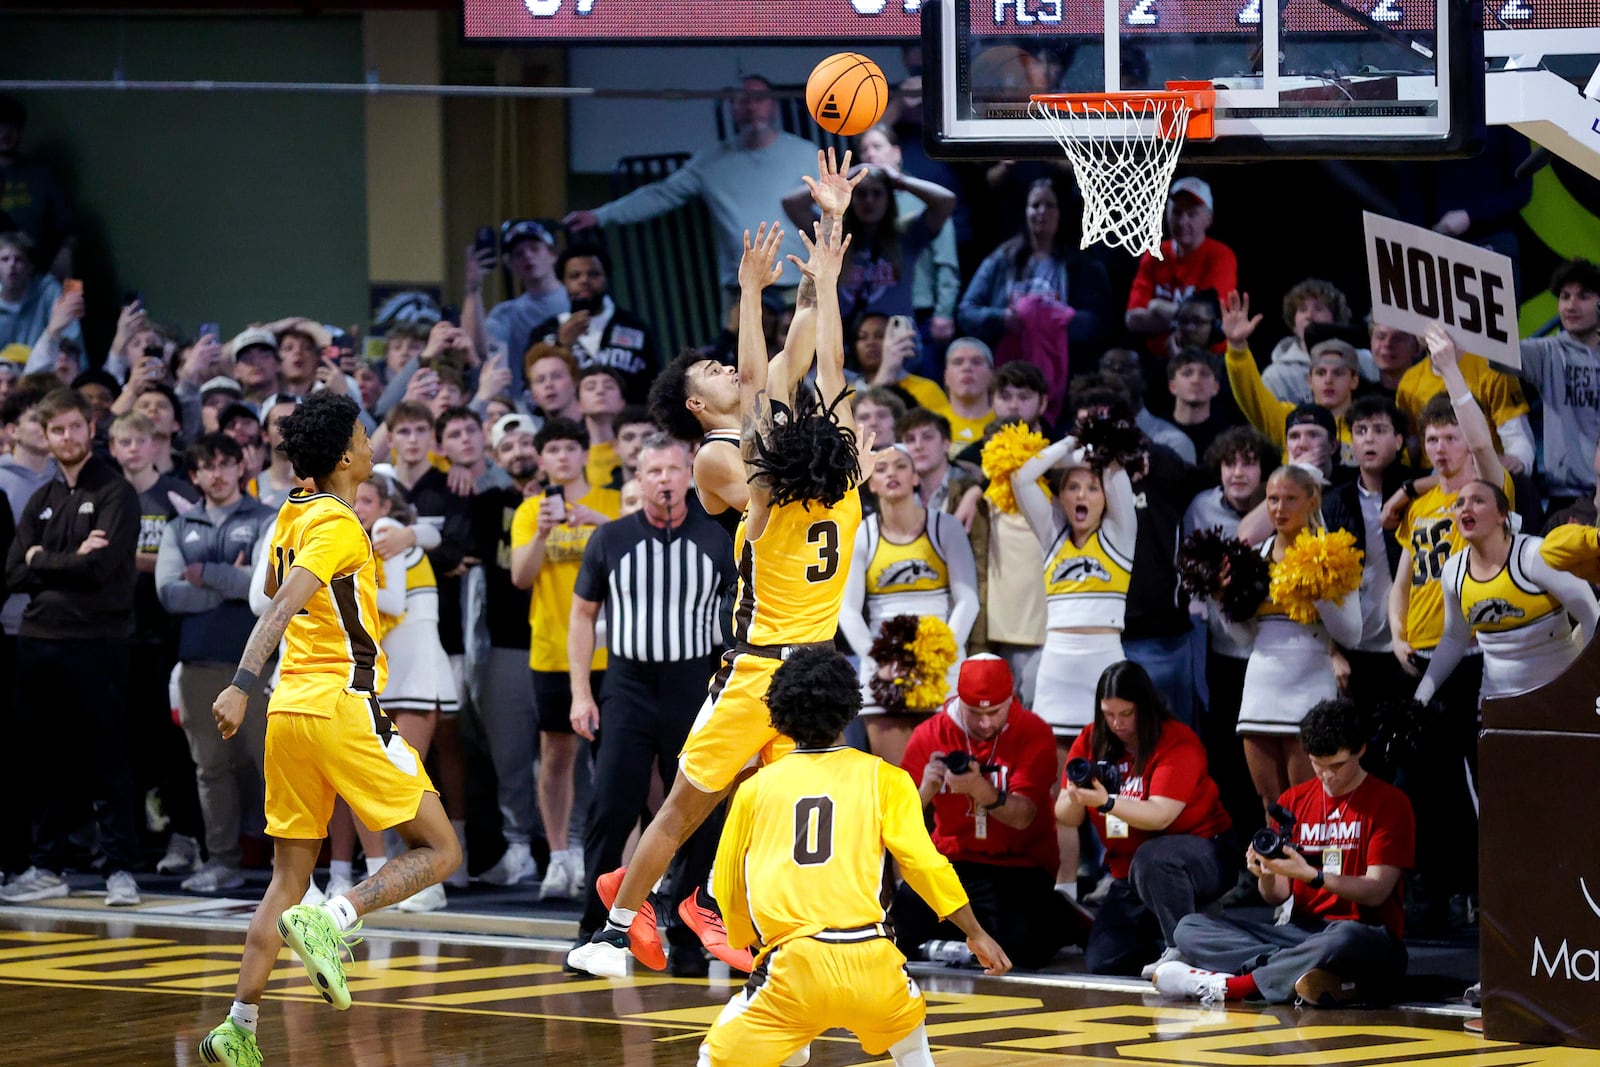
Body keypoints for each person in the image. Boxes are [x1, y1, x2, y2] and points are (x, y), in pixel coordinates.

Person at [568, 202, 866, 978]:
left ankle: (720, 905)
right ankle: (616, 925)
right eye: (715, 374)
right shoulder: (725, 462)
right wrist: (771, 291)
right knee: (688, 805)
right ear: (698, 405)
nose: (734, 371)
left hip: (809, 665)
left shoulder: (796, 465)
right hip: (754, 661)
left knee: (778, 809)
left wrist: (815, 283)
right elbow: (793, 381)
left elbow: (805, 365)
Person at [195, 392, 460, 1067]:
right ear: (346, 455)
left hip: (290, 712)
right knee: (441, 849)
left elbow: (274, 595)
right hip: (343, 703)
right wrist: (238, 682)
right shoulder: (341, 522)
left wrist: (255, 691)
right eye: (367, 435)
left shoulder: (290, 514)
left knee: (286, 879)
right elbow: (281, 606)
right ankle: (336, 916)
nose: (374, 444)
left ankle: (239, 1023)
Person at [701, 646, 1010, 1067]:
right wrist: (974, 931)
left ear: (779, 711)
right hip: (873, 963)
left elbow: (730, 881)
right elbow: (925, 865)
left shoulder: (755, 788)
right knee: (911, 1042)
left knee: (717, 1055)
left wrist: (744, 938)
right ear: (850, 706)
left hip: (793, 965)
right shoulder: (888, 779)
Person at [569, 432, 736, 976]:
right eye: (653, 471)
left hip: (696, 684)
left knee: (695, 813)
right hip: (628, 685)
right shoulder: (611, 538)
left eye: (672, 469)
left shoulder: (718, 536)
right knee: (612, 805)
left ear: (689, 475)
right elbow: (581, 616)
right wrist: (580, 692)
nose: (664, 479)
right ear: (636, 480)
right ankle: (595, 932)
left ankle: (688, 936)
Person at [1156, 698, 1414, 1007]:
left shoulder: (1390, 803)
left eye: (1337, 766)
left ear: (1360, 751)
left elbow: (1376, 891)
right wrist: (1265, 873)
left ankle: (1237, 985)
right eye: (1318, 764)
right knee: (1189, 927)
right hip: (1302, 934)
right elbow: (1277, 896)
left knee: (1345, 937)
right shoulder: (1294, 800)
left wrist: (1313, 876)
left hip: (1367, 936)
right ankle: (1302, 973)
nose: (1327, 776)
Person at [1, 387, 140, 908]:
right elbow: (13, 572)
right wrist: (63, 559)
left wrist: (43, 559)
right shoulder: (41, 498)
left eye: (74, 428)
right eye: (56, 430)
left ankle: (121, 869)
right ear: (45, 434)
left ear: (90, 427)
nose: (65, 437)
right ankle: (46, 865)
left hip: (97, 643)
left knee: (108, 758)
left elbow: (98, 569)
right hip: (37, 644)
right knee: (42, 761)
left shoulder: (115, 493)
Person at [1389, 324, 1507, 931]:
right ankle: (1434, 892)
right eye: (1431, 438)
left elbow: (1485, 444)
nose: (1439, 448)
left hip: (1484, 657)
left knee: (1486, 777)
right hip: (1428, 655)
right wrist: (1396, 633)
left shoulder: (1490, 492)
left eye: (1450, 437)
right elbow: (1403, 579)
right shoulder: (1422, 504)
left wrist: (1451, 369)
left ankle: (1498, 889)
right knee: (1425, 783)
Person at [891, 654, 1079, 970]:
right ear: (959, 702)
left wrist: (978, 788)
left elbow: (1023, 817)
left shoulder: (1033, 731)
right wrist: (925, 790)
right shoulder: (929, 734)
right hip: (953, 860)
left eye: (995, 712)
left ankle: (1060, 912)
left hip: (1019, 864)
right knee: (894, 935)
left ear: (1012, 700)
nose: (986, 722)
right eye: (975, 713)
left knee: (1023, 952)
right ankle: (963, 940)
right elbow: (897, 819)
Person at [566, 74, 820, 301]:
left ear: (773, 105)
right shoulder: (710, 162)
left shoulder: (806, 154)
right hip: (741, 288)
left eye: (759, 99)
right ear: (732, 108)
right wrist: (599, 216)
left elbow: (831, 218)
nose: (752, 106)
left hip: (797, 282)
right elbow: (660, 194)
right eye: (743, 100)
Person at [1058, 661, 1234, 977]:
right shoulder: (1091, 740)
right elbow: (1063, 815)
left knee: (1153, 856)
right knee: (1104, 959)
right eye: (1108, 714)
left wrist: (1107, 802)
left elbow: (1159, 816)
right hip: (1128, 874)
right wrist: (1075, 796)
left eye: (1126, 714)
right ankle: (1191, 931)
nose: (1116, 723)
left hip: (1203, 856)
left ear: (1145, 707)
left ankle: (1184, 946)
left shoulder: (1177, 740)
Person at [155, 433, 274, 894]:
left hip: (256, 663)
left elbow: (263, 590)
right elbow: (168, 593)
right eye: (208, 465)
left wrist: (205, 572)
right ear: (195, 475)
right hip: (198, 665)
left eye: (227, 462)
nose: (219, 473)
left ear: (242, 465)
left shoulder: (267, 519)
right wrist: (232, 581)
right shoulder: (178, 527)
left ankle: (294, 870)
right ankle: (222, 861)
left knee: (273, 766)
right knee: (210, 768)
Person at [510, 417, 621, 900]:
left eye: (569, 447)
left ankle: (616, 866)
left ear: (583, 454)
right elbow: (520, 577)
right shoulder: (530, 510)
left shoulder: (613, 504)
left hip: (615, 651)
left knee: (618, 761)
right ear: (542, 459)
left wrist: (602, 526)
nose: (561, 456)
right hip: (552, 651)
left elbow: (639, 559)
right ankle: (560, 857)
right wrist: (541, 533)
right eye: (552, 449)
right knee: (556, 756)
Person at [1221, 464, 1362, 811]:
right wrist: (1222, 600)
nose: (1279, 509)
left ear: (1312, 501)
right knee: (1271, 803)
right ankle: (1276, 867)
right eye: (1272, 499)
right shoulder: (1253, 559)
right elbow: (1242, 637)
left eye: (1289, 499)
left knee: (1310, 802)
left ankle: (1313, 867)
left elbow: (1352, 635)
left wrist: (1318, 593)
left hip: (1310, 688)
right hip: (1260, 690)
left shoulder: (1335, 554)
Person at [841, 443, 978, 765]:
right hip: (884, 666)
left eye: (901, 466)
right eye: (882, 468)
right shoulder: (862, 533)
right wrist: (881, 659)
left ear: (916, 477)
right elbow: (847, 609)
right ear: (871, 483)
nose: (891, 473)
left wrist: (938, 655)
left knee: (948, 784)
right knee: (898, 780)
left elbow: (968, 600)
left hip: (942, 664)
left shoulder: (946, 527)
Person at [1415, 480, 1598, 705]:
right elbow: (1454, 638)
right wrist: (1420, 698)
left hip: (1559, 700)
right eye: (1459, 503)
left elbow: (1591, 615)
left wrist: (1589, 684)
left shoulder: (1535, 556)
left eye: (1478, 501)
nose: (1466, 508)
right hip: (1496, 702)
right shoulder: (1453, 571)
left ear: (1502, 514)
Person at [1010, 430, 1135, 745]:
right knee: (1054, 771)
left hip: (1104, 662)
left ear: (1105, 497)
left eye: (1092, 488)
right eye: (1073, 488)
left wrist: (1085, 449)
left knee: (1107, 766)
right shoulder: (1051, 534)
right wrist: (1069, 443)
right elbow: (1023, 478)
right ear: (1060, 496)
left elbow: (1114, 471)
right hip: (1057, 667)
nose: (1082, 496)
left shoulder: (1119, 535)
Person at [959, 174, 1116, 412]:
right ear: (1024, 211)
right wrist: (1001, 318)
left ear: (1062, 212)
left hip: (1067, 380)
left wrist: (1055, 321)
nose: (1041, 212)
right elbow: (966, 312)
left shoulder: (1084, 265)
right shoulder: (1001, 259)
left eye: (1050, 205)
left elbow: (1101, 322)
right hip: (1008, 375)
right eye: (1035, 205)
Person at [1519, 258, 1600, 514]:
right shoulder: (1546, 352)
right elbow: (1496, 351)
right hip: (1565, 500)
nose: (1571, 305)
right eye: (1565, 297)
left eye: (1583, 296)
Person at [1123, 179, 1237, 356]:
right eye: (1176, 212)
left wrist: (1158, 307)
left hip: (1207, 358)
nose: (1183, 222)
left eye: (1192, 214)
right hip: (1158, 360)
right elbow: (1132, 320)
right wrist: (1190, 322)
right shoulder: (1155, 254)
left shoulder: (1220, 256)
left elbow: (1211, 323)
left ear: (1208, 219)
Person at [481, 218, 569, 395]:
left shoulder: (579, 302)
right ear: (511, 265)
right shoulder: (505, 314)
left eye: (535, 249)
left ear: (553, 255)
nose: (528, 256)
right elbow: (480, 351)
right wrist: (472, 290)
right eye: (519, 254)